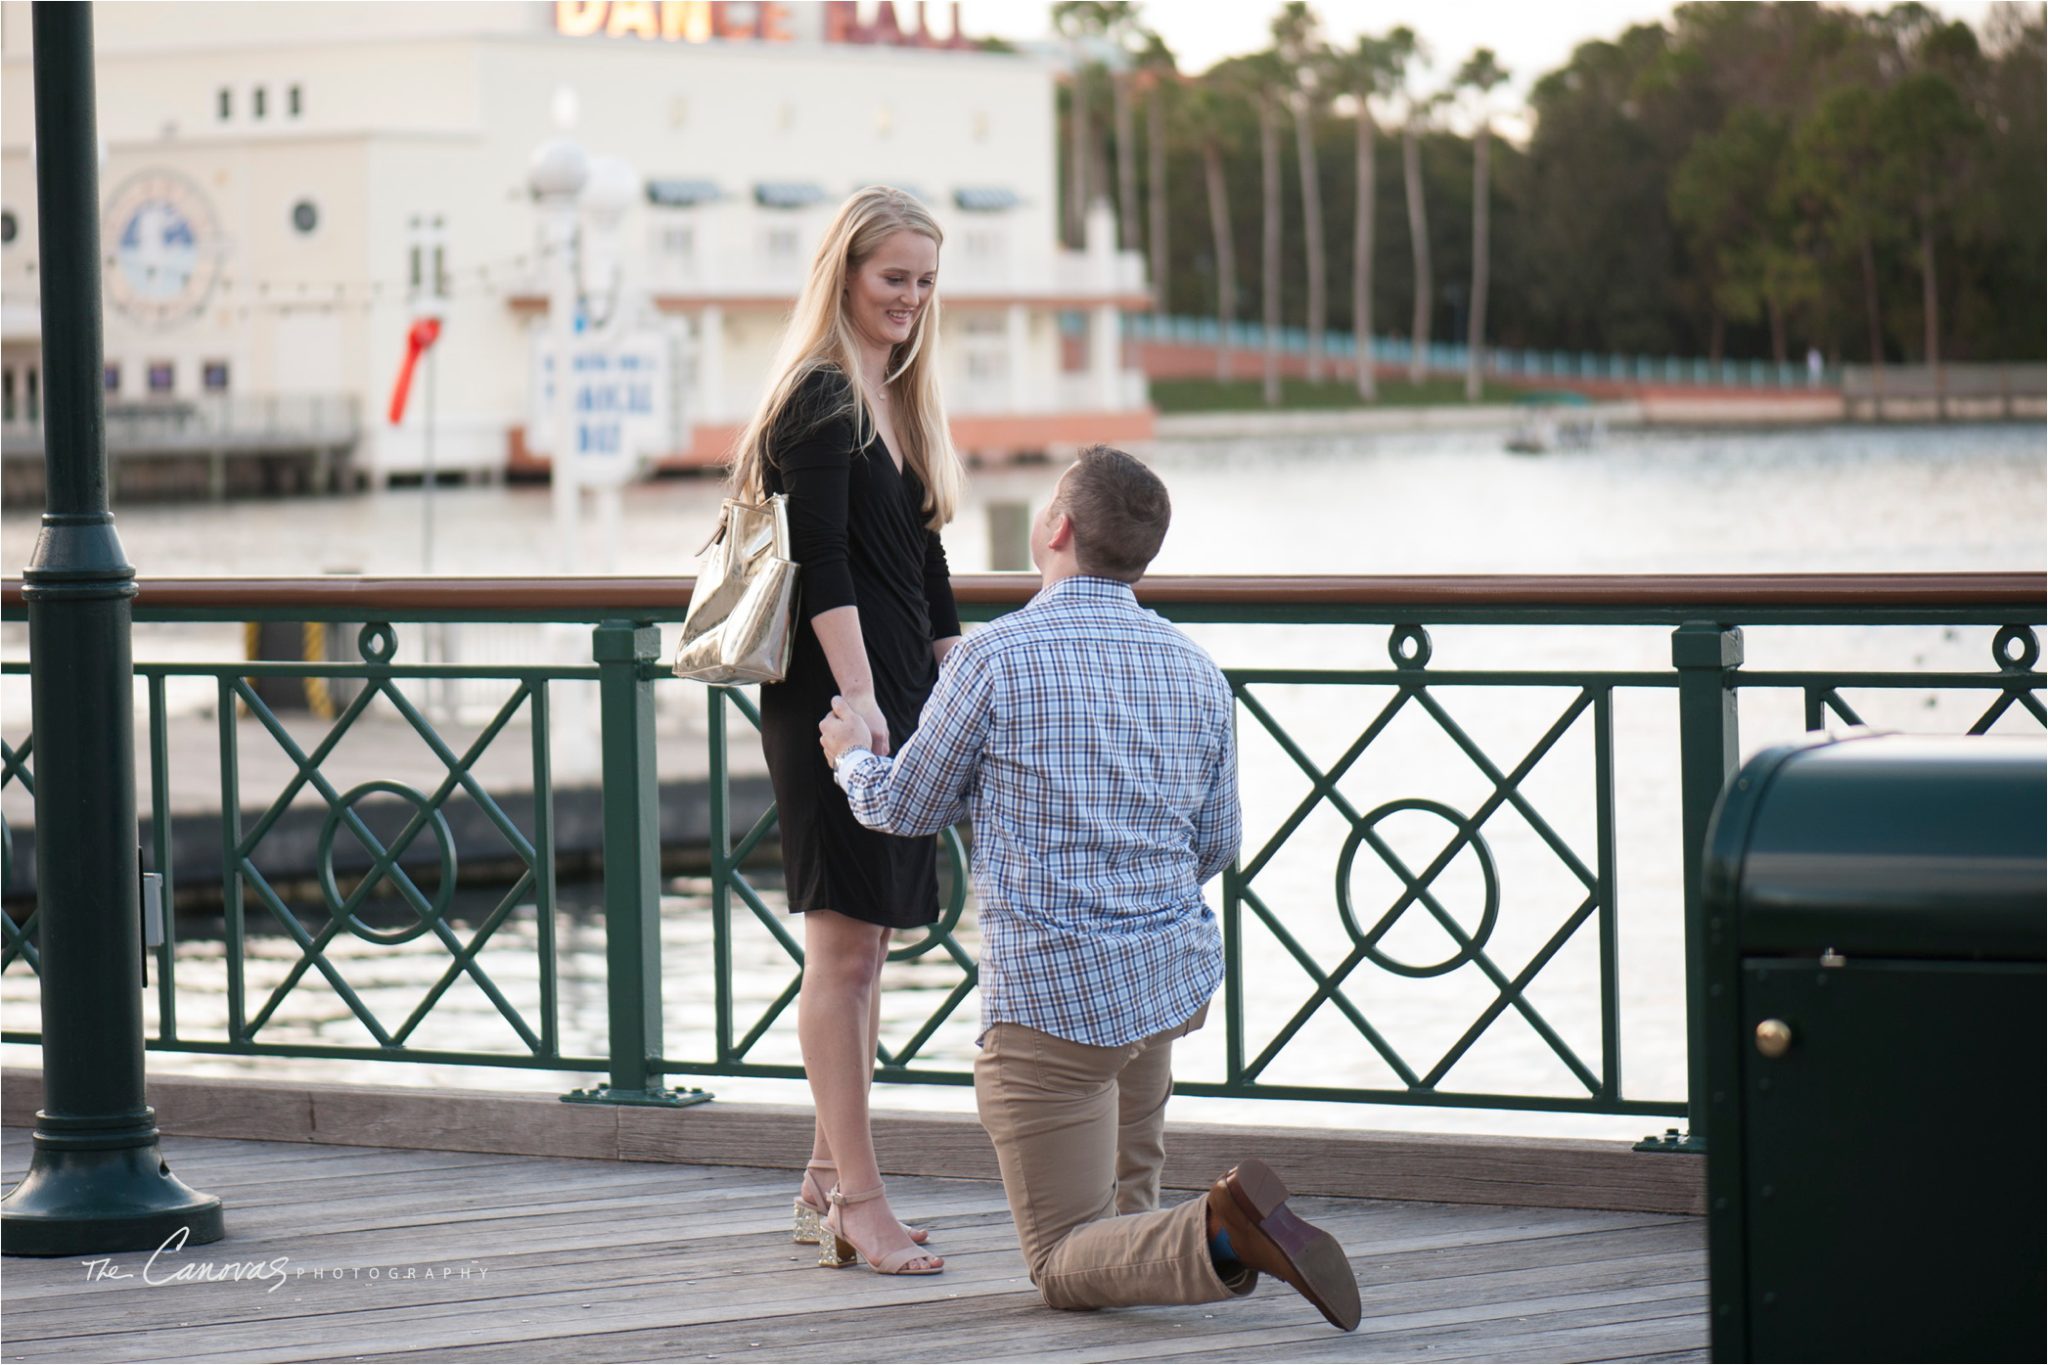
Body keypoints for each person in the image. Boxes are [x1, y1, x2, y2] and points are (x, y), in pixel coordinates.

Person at [817, 446, 1361, 1330]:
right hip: (1164, 981)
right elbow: (1214, 844)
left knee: (1063, 1261)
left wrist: (852, 761)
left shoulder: (995, 658)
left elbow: (905, 805)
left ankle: (1228, 1234)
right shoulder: (1195, 669)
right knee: (1129, 1227)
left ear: (1057, 527)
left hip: (1053, 1004)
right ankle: (1210, 1233)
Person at [729, 186, 962, 1277]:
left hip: (895, 692)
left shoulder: (893, 391)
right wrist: (863, 700)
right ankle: (859, 1202)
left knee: (870, 945)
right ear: (846, 276)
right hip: (837, 700)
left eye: (922, 279)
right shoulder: (820, 396)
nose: (910, 298)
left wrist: (951, 666)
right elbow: (822, 564)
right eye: (892, 278)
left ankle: (825, 1185)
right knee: (842, 949)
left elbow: (919, 560)